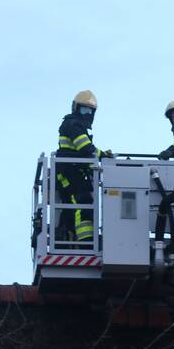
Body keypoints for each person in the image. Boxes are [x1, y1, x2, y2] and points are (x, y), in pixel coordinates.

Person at [55, 90, 111, 243]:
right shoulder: (73, 124)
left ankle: (67, 233)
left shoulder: (76, 124)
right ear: (76, 108)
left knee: (74, 203)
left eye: (90, 111)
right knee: (82, 200)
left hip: (73, 170)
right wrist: (103, 155)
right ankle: (86, 241)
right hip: (68, 171)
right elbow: (85, 147)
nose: (87, 114)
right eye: (84, 110)